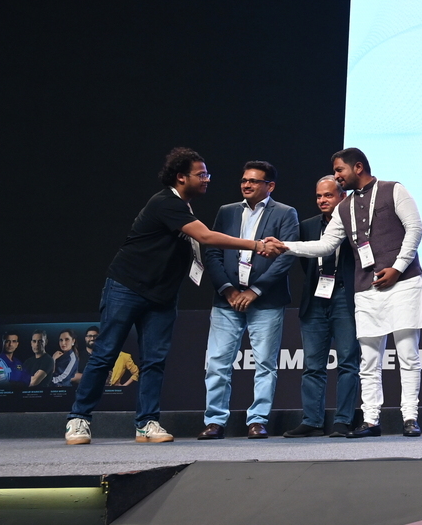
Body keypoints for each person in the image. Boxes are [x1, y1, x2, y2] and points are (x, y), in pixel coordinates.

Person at [65, 147, 270, 445]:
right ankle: (78, 419)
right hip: (127, 287)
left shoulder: (184, 208)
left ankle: (146, 423)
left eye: (207, 174)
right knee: (105, 353)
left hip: (161, 296)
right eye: (201, 174)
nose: (207, 179)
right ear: (181, 177)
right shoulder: (165, 202)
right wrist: (256, 245)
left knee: (154, 361)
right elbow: (206, 237)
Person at [264, 148, 422, 438]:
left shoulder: (393, 189)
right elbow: (325, 245)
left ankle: (410, 417)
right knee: (368, 361)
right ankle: (371, 419)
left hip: (404, 283)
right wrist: (286, 246)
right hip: (366, 288)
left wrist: (397, 267)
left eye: (339, 170)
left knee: (408, 354)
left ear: (358, 167)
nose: (337, 176)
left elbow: (415, 229)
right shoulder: (345, 207)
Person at [199, 161, 299, 440]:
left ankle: (257, 420)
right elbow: (213, 252)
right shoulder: (227, 211)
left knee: (265, 363)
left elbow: (286, 257)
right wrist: (228, 290)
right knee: (217, 362)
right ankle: (214, 421)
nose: (246, 185)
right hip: (227, 300)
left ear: (270, 186)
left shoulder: (285, 213)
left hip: (265, 301)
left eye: (254, 181)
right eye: (244, 180)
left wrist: (255, 290)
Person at [284, 176, 361, 438]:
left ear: (342, 196)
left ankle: (343, 420)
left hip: (344, 296)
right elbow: (305, 262)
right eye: (319, 196)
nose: (322, 200)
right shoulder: (307, 226)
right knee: (312, 365)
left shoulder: (354, 224)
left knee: (348, 362)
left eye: (328, 195)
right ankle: (312, 421)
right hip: (315, 296)